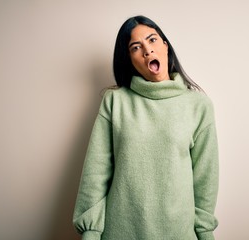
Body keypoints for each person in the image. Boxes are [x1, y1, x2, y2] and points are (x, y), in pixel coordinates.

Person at [73, 15, 219, 240]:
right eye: (135, 47)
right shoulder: (115, 102)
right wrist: (90, 233)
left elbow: (205, 179)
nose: (147, 51)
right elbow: (96, 171)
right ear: (130, 59)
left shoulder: (198, 106)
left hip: (178, 233)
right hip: (120, 232)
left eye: (152, 40)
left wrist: (204, 232)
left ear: (165, 46)